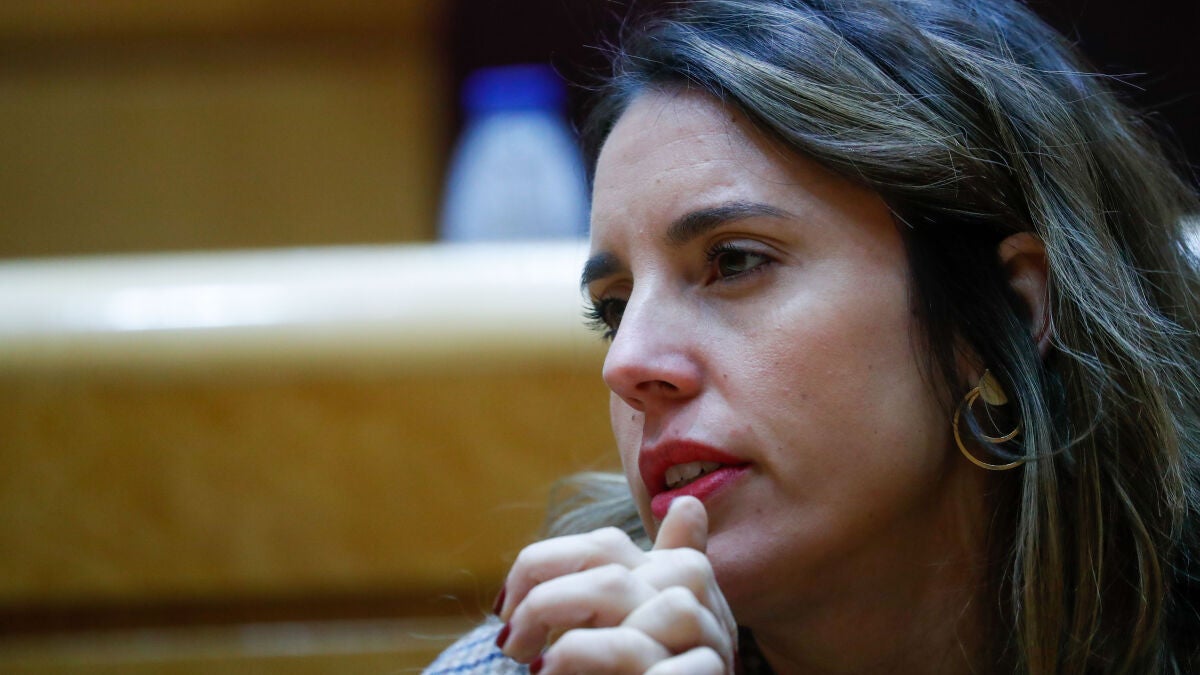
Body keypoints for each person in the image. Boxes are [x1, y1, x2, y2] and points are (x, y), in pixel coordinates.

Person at [425, 0, 1200, 672]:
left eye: (734, 262)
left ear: (1004, 310)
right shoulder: (551, 656)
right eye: (615, 307)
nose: (627, 363)